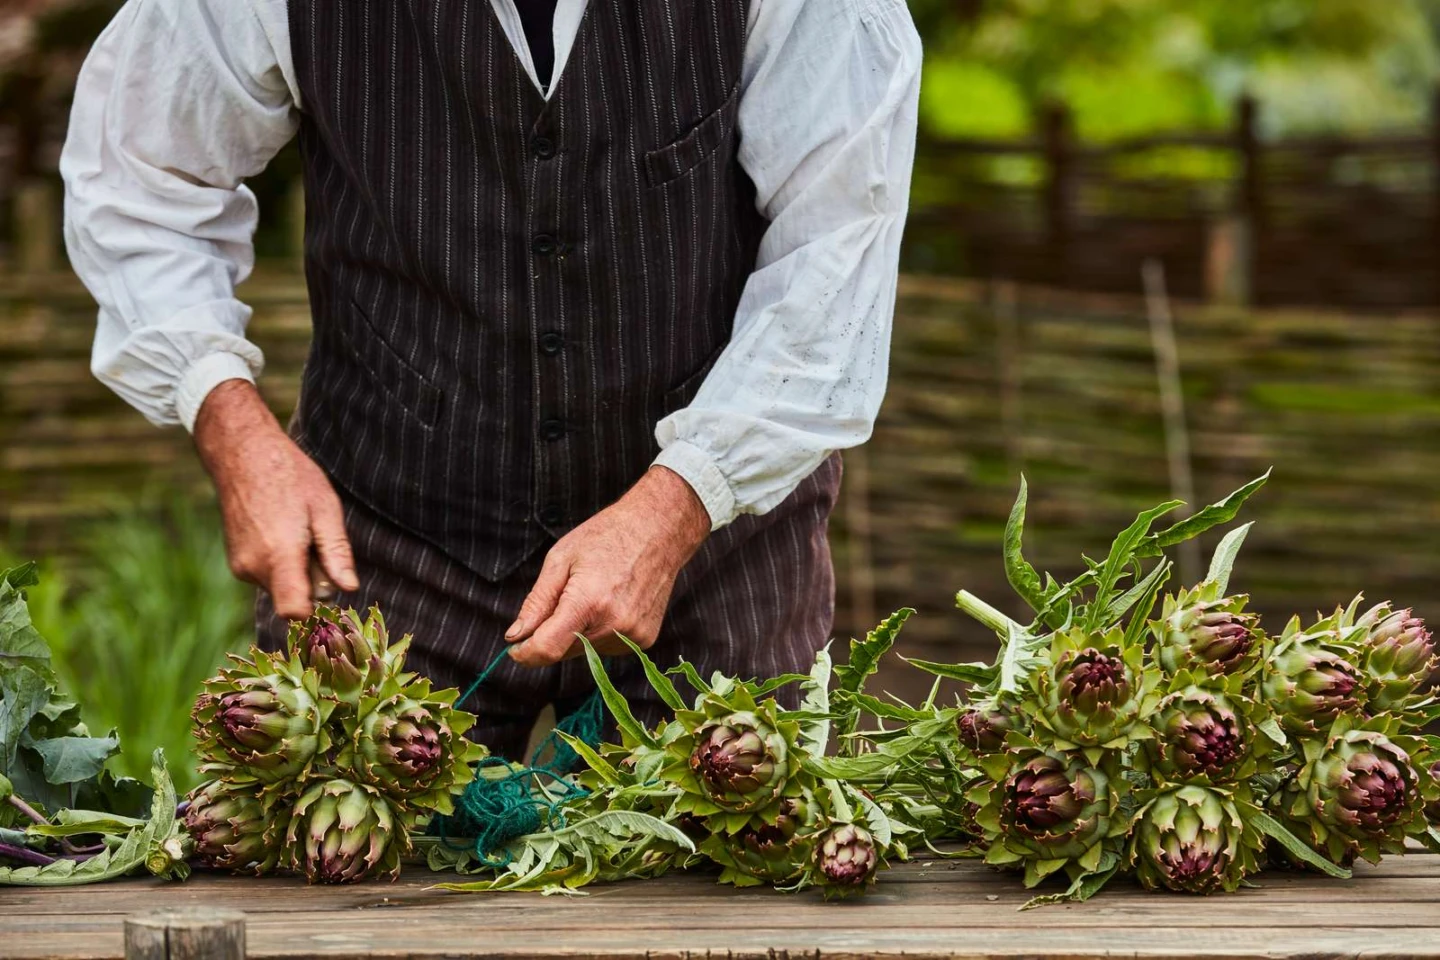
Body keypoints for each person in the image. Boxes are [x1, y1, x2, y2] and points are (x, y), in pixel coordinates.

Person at [62, 0, 921, 757]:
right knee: (343, 918)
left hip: (720, 549)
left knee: (726, 923)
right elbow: (138, 179)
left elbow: (835, 252)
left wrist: (679, 505)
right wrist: (232, 427)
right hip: (389, 544)